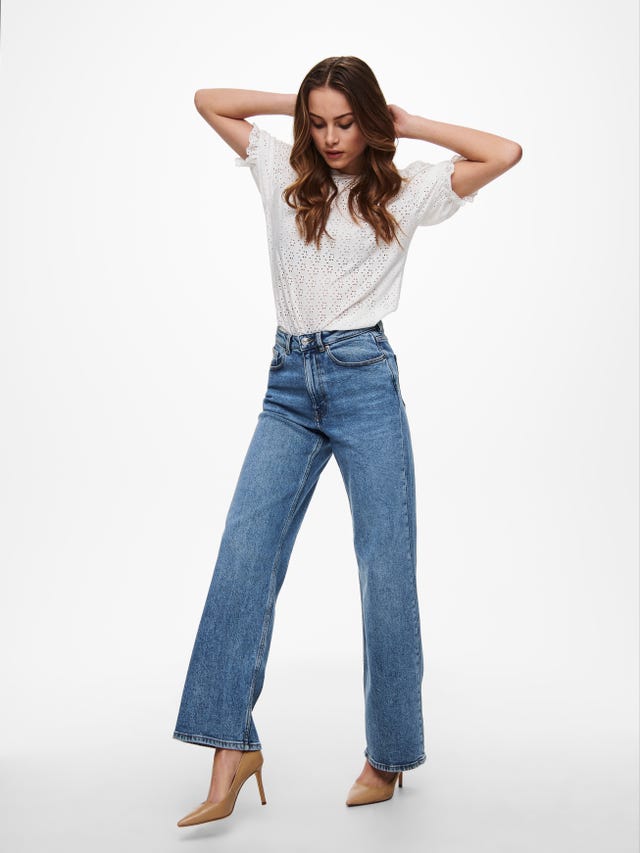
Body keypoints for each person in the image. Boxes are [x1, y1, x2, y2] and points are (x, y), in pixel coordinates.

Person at [173, 55, 522, 827]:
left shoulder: (406, 189)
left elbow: (505, 152)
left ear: (369, 120)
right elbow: (208, 99)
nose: (331, 138)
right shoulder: (280, 168)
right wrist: (295, 101)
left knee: (385, 569)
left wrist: (409, 122)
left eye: (346, 122)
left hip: (365, 382)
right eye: (319, 123)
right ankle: (229, 752)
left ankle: (387, 755)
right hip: (287, 388)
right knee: (243, 556)